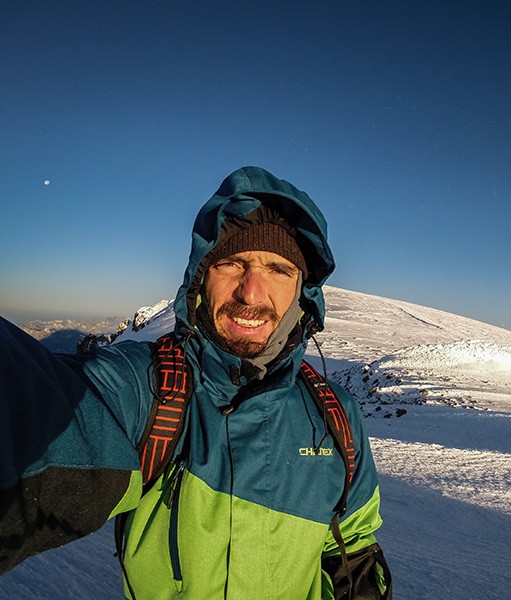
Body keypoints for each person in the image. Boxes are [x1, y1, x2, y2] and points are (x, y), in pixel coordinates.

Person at [0, 166, 391, 599]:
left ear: (303, 292)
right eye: (232, 264)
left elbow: (352, 546)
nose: (251, 293)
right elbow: (46, 405)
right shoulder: (150, 386)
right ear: (201, 279)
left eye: (279, 270)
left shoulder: (334, 414)